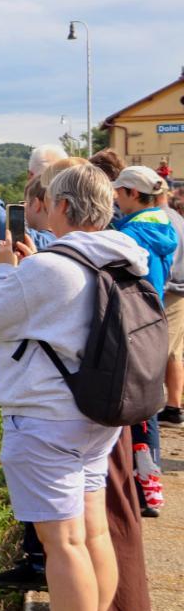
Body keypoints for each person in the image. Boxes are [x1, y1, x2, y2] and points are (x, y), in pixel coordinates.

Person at [0, 163, 145, 611]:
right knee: (93, 534)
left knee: (63, 544)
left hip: (46, 419)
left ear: (63, 206)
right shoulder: (123, 256)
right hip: (97, 414)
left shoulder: (51, 267)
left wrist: (4, 270)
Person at [112, 165, 176, 515]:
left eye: (119, 193)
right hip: (153, 321)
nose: (116, 200)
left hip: (132, 324)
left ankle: (138, 492)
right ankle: (149, 488)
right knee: (146, 408)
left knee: (133, 409)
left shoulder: (132, 233)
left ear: (134, 193)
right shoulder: (163, 224)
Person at [159, 193, 184, 429]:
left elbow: (168, 262)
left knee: (159, 352)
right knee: (174, 352)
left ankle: (169, 408)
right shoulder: (175, 217)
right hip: (177, 292)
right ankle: (173, 409)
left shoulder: (163, 219)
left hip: (171, 293)